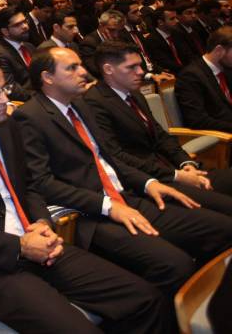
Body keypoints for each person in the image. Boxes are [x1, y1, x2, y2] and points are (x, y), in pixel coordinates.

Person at [0, 53, 167, 333]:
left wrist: (42, 223)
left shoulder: (7, 126)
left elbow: (29, 186)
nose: (3, 100)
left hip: (42, 242)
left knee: (145, 298)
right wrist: (20, 247)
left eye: (4, 89)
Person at [12, 47, 232, 317]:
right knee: (175, 264)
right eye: (72, 68)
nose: (84, 72)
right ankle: (170, 320)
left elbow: (111, 159)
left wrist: (150, 183)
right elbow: (43, 183)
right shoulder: (30, 117)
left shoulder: (80, 104)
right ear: (47, 77)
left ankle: (211, 314)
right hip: (91, 214)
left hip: (127, 195)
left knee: (223, 228)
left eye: (81, 64)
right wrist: (107, 206)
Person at [84, 41, 232, 212]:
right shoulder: (93, 102)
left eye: (140, 65)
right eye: (131, 67)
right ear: (109, 69)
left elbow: (160, 135)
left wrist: (185, 163)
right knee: (225, 208)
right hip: (149, 183)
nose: (140, 72)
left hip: (173, 170)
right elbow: (117, 156)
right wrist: (177, 176)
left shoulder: (134, 94)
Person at [175, 26, 232, 132]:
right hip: (220, 138)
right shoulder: (190, 76)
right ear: (219, 50)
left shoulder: (227, 68)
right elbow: (198, 120)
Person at [0, 7, 35, 101]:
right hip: (25, 103)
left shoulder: (29, 46)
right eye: (18, 25)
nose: (25, 26)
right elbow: (10, 88)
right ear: (5, 31)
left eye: (24, 21)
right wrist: (40, 97)